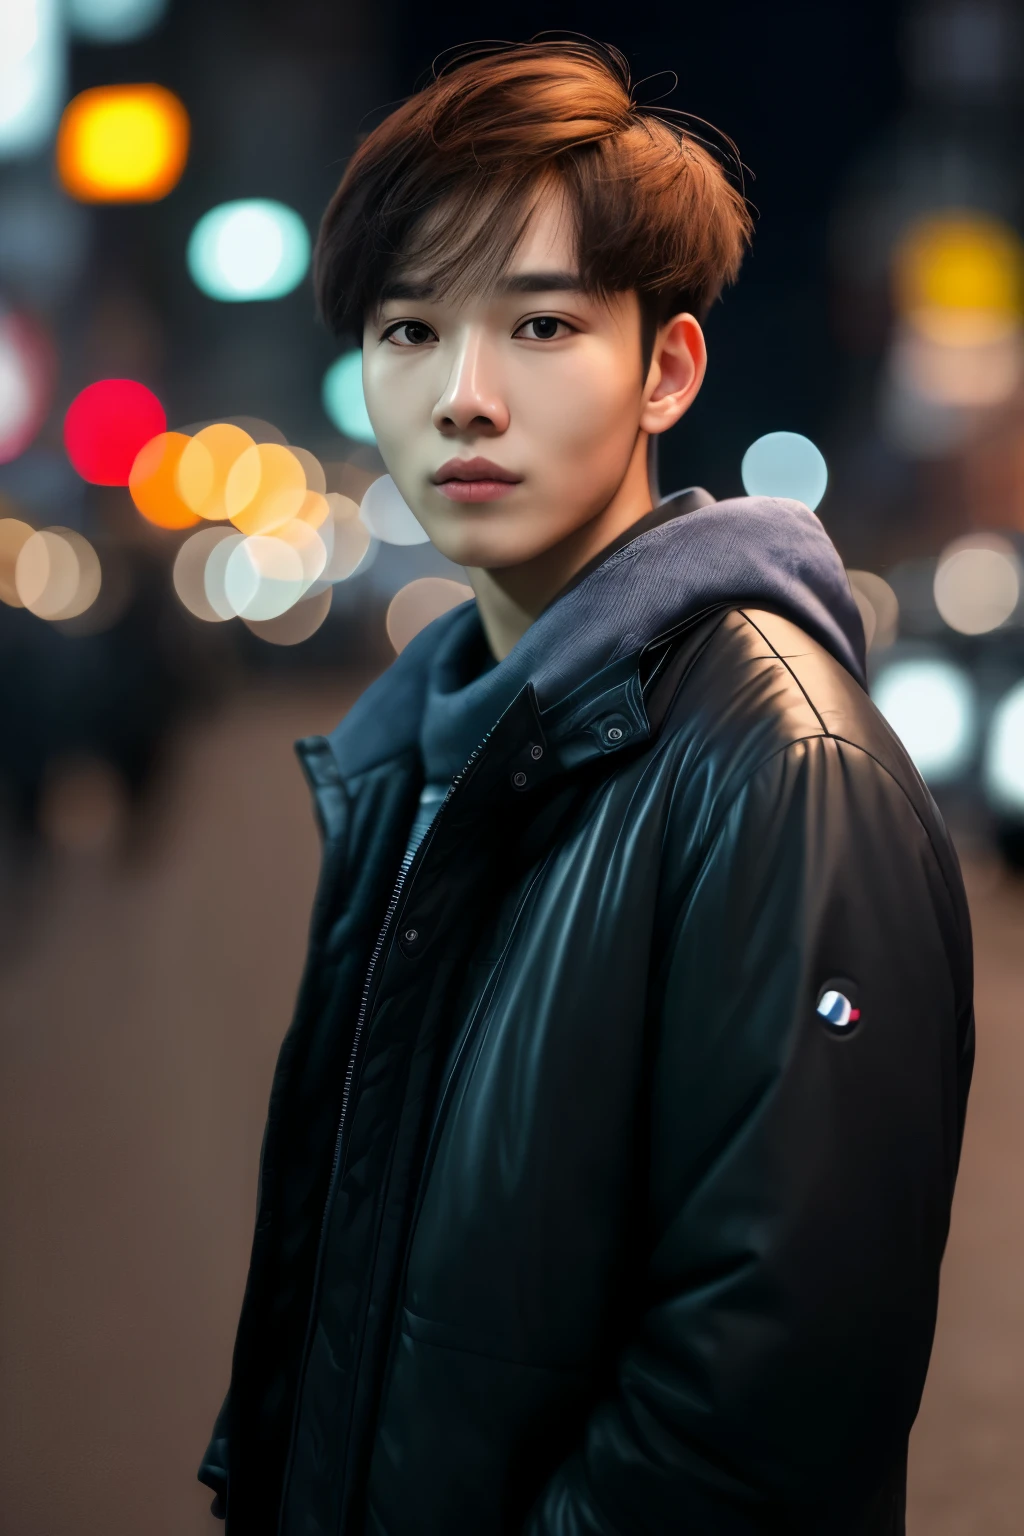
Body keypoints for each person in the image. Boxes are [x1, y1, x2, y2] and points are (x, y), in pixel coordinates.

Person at [198, 40, 974, 1535]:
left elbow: (765, 1405)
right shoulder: (431, 747)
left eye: (542, 325)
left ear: (665, 366)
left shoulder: (779, 764)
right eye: (409, 329)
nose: (465, 397)